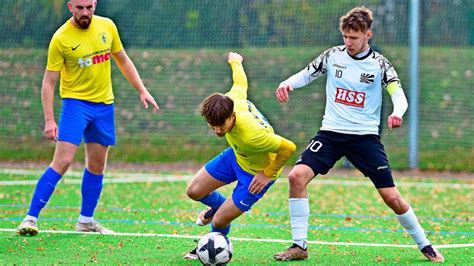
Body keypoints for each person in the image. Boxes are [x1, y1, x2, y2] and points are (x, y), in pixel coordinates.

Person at [273, 6, 444, 263]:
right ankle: (299, 245)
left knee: (391, 197)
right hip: (330, 133)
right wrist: (287, 83)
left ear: (368, 35)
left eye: (353, 37)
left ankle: (425, 244)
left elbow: (399, 95)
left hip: (364, 138)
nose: (348, 42)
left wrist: (397, 112)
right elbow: (307, 74)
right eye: (345, 36)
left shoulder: (380, 65)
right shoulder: (332, 56)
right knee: (296, 177)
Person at [16, 0, 159, 236]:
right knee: (62, 161)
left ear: (95, 5)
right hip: (75, 105)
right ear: (70, 6)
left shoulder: (107, 26)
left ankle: (86, 221)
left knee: (97, 164)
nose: (85, 12)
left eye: (89, 7)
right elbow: (49, 82)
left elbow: (122, 59)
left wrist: (142, 90)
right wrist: (49, 119)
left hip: (104, 106)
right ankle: (30, 218)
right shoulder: (61, 38)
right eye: (80, 8)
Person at [183, 52, 297, 260]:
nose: (218, 131)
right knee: (194, 191)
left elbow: (288, 148)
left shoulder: (253, 135)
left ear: (232, 115)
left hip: (256, 175)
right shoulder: (232, 99)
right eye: (213, 126)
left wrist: (267, 173)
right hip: (236, 156)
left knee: (218, 222)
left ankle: (211, 248)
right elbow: (240, 82)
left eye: (222, 125)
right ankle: (220, 207)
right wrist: (235, 61)